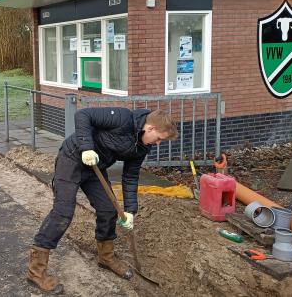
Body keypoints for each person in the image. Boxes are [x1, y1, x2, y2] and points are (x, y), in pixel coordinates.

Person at [27, 108, 178, 293]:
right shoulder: (123, 119)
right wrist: (86, 147)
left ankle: (106, 257)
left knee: (108, 210)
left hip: (95, 168)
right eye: (159, 138)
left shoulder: (142, 147)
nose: (159, 143)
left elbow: (130, 176)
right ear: (151, 128)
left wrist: (130, 210)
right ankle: (36, 271)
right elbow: (83, 115)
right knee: (63, 213)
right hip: (72, 159)